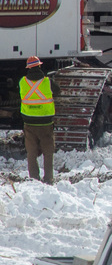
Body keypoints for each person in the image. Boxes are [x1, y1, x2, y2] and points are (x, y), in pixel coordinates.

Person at [19, 56, 59, 184]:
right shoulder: (47, 82)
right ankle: (48, 179)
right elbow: (57, 91)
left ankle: (34, 179)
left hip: (29, 122)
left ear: (28, 68)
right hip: (45, 122)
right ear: (39, 66)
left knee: (31, 152)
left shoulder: (22, 82)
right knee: (48, 152)